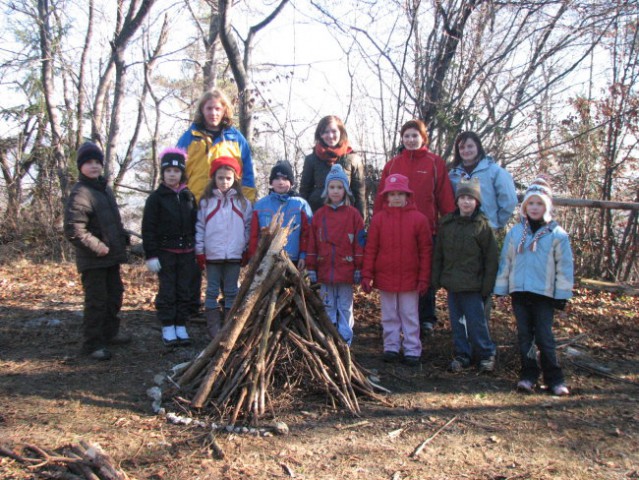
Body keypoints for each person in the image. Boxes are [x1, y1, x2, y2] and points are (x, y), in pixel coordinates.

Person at [177, 88, 256, 317]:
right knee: (196, 254)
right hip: (195, 203)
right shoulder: (189, 137)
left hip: (229, 205)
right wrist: (180, 197)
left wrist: (247, 201)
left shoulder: (235, 138)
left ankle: (229, 306)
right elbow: (177, 170)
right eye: (209, 108)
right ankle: (193, 306)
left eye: (218, 108)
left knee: (228, 252)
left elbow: (248, 172)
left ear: (225, 111)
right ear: (202, 110)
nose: (213, 112)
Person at [373, 119, 455, 336]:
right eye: (407, 136)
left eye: (414, 135)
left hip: (427, 227)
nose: (410, 140)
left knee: (424, 272)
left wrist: (450, 224)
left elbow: (444, 196)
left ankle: (426, 318)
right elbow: (381, 199)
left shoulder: (435, 163)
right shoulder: (392, 165)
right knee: (400, 271)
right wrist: (378, 225)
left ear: (423, 138)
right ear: (402, 138)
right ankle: (397, 318)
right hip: (394, 228)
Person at [494, 177, 573, 396]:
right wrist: (501, 290)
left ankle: (554, 378)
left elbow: (564, 267)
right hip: (520, 293)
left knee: (545, 337)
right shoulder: (516, 233)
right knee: (525, 336)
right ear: (525, 207)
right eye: (531, 203)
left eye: (539, 203)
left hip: (544, 294)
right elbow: (506, 262)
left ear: (546, 206)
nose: (535, 207)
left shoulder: (557, 235)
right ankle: (528, 375)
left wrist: (562, 294)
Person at [64, 142, 131, 360]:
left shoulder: (103, 189)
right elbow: (74, 230)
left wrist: (123, 239)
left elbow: (111, 222)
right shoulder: (81, 193)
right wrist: (98, 246)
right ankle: (92, 344)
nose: (93, 166)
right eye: (88, 162)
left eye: (97, 162)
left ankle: (109, 334)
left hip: (110, 257)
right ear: (81, 166)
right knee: (97, 301)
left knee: (115, 296)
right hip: (93, 259)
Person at [361, 174, 432, 367]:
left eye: (400, 194)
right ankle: (391, 347)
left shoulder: (419, 219)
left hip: (410, 278)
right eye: (392, 194)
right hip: (385, 277)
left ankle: (412, 349)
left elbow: (426, 251)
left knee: (409, 315)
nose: (397, 198)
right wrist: (367, 275)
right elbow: (371, 249)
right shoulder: (378, 220)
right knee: (389, 315)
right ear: (386, 197)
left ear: (408, 196)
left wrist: (424, 278)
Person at [431, 178, 499, 373]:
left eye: (470, 198)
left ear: (477, 201)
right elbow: (439, 255)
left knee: (477, 323)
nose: (466, 202)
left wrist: (487, 286)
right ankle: (463, 355)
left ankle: (486, 354)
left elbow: (491, 259)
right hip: (453, 284)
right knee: (458, 324)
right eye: (462, 198)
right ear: (457, 201)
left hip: (474, 286)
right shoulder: (447, 224)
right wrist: (435, 279)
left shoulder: (482, 226)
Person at [142, 148, 197, 347]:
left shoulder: (188, 196)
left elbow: (195, 224)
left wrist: (198, 248)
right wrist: (151, 255)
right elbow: (148, 228)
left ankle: (181, 324)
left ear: (182, 173)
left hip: (187, 252)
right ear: (163, 173)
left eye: (176, 170)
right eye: (168, 171)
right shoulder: (156, 198)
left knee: (184, 289)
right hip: (165, 252)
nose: (172, 174)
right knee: (167, 289)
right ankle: (168, 325)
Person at [306, 165, 365, 345]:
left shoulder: (354, 215)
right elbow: (312, 242)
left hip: (345, 269)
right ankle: (330, 338)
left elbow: (359, 243)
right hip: (325, 268)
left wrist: (358, 267)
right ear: (326, 190)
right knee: (328, 305)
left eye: (340, 187)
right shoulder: (319, 215)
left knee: (345, 306)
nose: (336, 191)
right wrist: (311, 266)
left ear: (346, 190)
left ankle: (345, 339)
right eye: (332, 187)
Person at [196, 156, 252, 338]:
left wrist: (245, 249)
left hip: (234, 255)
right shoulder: (207, 202)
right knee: (211, 290)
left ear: (235, 179)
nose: (224, 182)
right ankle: (213, 328)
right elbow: (200, 227)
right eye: (220, 178)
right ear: (214, 178)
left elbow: (248, 228)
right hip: (213, 255)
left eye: (228, 178)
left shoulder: (243, 203)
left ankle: (228, 327)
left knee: (231, 291)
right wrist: (200, 251)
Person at [248, 161, 313, 269]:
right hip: (266, 260)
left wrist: (303, 255)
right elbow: (254, 234)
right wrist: (253, 257)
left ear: (291, 182)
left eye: (285, 179)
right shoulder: (260, 205)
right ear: (271, 182)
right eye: (277, 178)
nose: (280, 182)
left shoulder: (301, 205)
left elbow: (307, 233)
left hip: (293, 260)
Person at [300, 115, 367, 219]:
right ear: (320, 135)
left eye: (334, 131)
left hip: (346, 219)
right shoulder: (311, 160)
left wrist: (361, 223)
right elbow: (304, 192)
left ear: (341, 132)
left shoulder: (353, 159)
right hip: (318, 217)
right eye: (325, 132)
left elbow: (360, 196)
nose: (330, 136)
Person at [448, 131, 518, 231]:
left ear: (478, 147)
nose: (466, 150)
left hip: (487, 230)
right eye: (462, 147)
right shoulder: (453, 175)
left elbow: (509, 200)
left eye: (470, 146)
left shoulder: (495, 171)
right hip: (461, 231)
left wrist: (497, 224)